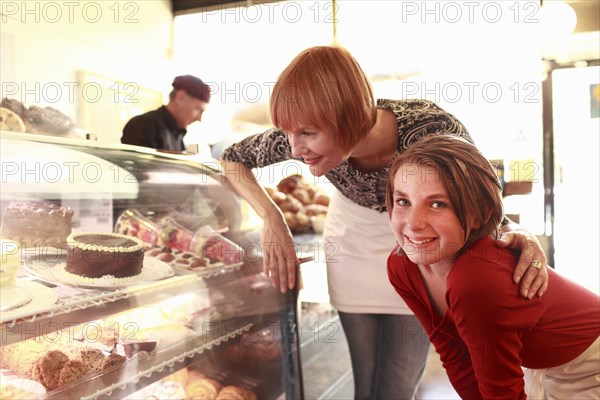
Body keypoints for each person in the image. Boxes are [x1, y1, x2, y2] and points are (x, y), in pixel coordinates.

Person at [220, 45, 549, 399]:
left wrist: (517, 234)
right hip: (352, 241)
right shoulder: (302, 134)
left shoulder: (432, 129)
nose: (295, 148)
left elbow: (483, 200)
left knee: (396, 386)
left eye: (307, 134)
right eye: (288, 134)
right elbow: (232, 159)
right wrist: (272, 218)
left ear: (347, 116)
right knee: (366, 383)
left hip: (419, 247)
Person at [386, 135, 600, 399]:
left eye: (437, 204)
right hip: (550, 367)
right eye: (403, 201)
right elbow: (454, 354)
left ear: (480, 214)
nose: (413, 223)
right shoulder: (401, 266)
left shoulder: (477, 278)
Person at [121, 75, 211, 151]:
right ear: (180, 97)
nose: (199, 119)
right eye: (198, 109)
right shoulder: (143, 125)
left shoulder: (177, 135)